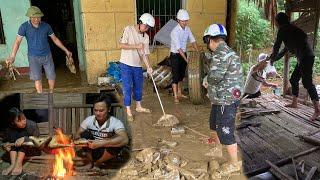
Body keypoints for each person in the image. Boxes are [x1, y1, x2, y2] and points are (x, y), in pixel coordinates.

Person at [202, 24, 243, 175]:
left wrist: (206, 80)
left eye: (207, 41)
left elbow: (215, 77)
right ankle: (216, 147)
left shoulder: (220, 53)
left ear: (210, 39)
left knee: (225, 131)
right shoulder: (226, 51)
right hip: (222, 97)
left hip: (227, 99)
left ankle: (234, 163)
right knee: (214, 122)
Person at [6, 6, 72, 93]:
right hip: (33, 57)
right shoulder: (24, 27)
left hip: (47, 56)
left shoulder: (46, 26)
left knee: (51, 76)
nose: (37, 19)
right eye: (34, 17)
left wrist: (66, 50)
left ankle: (51, 93)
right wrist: (12, 56)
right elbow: (17, 41)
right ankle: (40, 95)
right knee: (37, 78)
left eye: (38, 17)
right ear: (29, 17)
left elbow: (55, 39)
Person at [269, 12, 320, 121]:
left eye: (276, 22)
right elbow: (283, 51)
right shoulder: (291, 30)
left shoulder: (284, 29)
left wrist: (272, 58)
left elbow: (277, 46)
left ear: (278, 22)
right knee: (293, 79)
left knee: (307, 83)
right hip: (303, 57)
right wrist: (273, 58)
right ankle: (294, 103)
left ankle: (317, 110)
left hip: (305, 57)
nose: (276, 24)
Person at [75, 96, 129, 168]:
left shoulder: (115, 122)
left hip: (106, 152)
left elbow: (125, 139)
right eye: (95, 110)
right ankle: (90, 162)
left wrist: (102, 143)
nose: (98, 113)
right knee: (84, 134)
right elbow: (77, 135)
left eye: (101, 111)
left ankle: (98, 163)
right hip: (92, 151)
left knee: (118, 142)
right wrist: (82, 141)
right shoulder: (89, 120)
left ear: (109, 109)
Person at [119, 13, 154, 121]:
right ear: (140, 23)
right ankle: (128, 110)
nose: (147, 29)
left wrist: (149, 67)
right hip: (126, 64)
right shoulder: (128, 29)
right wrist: (136, 46)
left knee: (138, 87)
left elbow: (145, 54)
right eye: (146, 26)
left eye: (148, 27)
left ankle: (139, 106)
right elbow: (121, 45)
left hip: (137, 65)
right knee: (127, 87)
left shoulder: (146, 37)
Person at [170, 9, 199, 103]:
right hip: (175, 55)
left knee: (181, 75)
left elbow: (193, 40)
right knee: (175, 76)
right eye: (183, 21)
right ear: (178, 20)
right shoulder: (174, 32)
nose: (185, 23)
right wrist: (187, 60)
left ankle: (179, 92)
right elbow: (178, 48)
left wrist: (197, 51)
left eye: (186, 21)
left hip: (183, 53)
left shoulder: (188, 29)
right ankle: (175, 96)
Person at [2, 108, 40, 176]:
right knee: (13, 136)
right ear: (12, 122)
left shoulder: (32, 125)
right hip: (16, 150)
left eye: (24, 118)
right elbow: (8, 142)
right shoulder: (9, 129)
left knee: (23, 138)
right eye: (19, 121)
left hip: (31, 149)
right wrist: (5, 145)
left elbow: (38, 141)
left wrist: (25, 139)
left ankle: (18, 164)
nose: (23, 122)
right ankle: (13, 164)